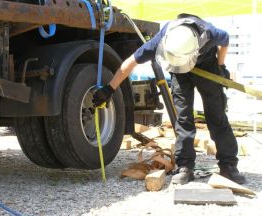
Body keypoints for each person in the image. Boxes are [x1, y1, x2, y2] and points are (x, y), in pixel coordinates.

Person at [92, 13, 246, 185]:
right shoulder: (161, 41)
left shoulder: (209, 33)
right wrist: (110, 88)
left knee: (216, 115)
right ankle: (185, 167)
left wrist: (220, 66)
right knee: (183, 118)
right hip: (178, 71)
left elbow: (224, 41)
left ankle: (228, 166)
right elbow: (130, 62)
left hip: (207, 66)